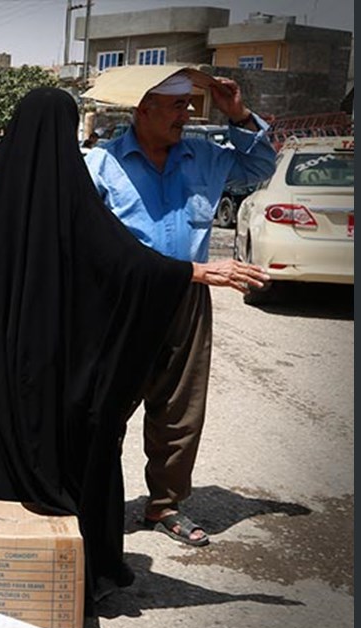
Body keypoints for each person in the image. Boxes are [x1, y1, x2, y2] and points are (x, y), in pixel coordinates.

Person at [0, 88, 268, 602]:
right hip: (52, 367)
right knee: (78, 433)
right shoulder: (76, 202)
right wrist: (199, 271)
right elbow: (123, 262)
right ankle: (61, 560)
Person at [85, 70, 276, 547]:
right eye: (176, 106)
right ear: (142, 109)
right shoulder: (101, 165)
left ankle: (165, 504)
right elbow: (87, 243)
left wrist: (238, 113)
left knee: (180, 408)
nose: (187, 115)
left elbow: (260, 168)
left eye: (189, 105)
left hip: (188, 299)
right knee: (106, 403)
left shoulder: (205, 156)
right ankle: (87, 500)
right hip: (123, 301)